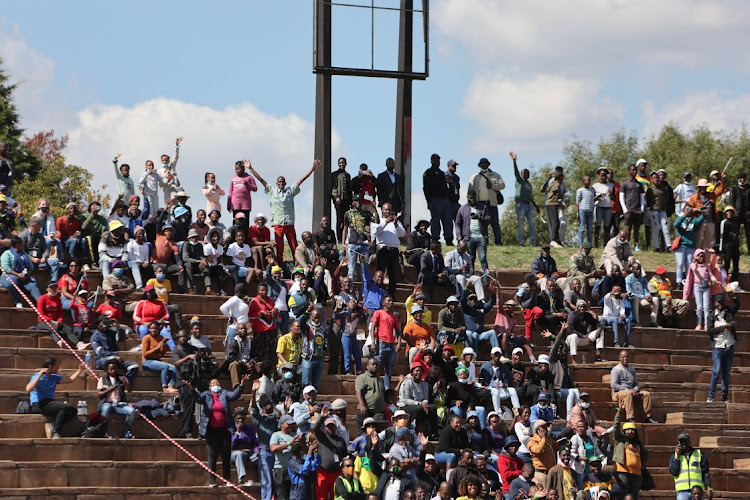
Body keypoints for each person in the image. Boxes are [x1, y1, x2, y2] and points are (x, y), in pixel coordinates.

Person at [252, 159, 320, 261]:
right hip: (278, 224)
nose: (281, 183)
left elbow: (301, 180)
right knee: (279, 248)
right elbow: (261, 180)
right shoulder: (272, 191)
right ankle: (280, 268)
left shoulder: (290, 191)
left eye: (283, 181)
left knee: (294, 246)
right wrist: (251, 168)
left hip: (289, 223)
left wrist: (312, 169)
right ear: (276, 183)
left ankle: (298, 265)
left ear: (285, 183)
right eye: (279, 182)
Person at [190, 375, 250, 487]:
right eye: (213, 384)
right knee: (212, 455)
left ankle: (226, 479)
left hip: (225, 430)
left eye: (217, 383)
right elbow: (198, 399)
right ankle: (212, 480)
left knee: (226, 455)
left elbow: (234, 395)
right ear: (209, 387)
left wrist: (241, 384)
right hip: (211, 430)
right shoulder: (206, 395)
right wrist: (191, 389)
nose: (215, 385)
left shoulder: (224, 393)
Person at [26, 357, 84, 438]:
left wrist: (80, 370)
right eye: (56, 366)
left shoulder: (54, 377)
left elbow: (70, 379)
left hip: (49, 403)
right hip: (38, 404)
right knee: (65, 407)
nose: (58, 368)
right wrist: (40, 374)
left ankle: (54, 424)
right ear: (50, 367)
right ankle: (56, 432)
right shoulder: (36, 376)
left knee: (73, 411)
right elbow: (29, 389)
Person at [612, 404, 648, 499]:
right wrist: (619, 411)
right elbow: (615, 427)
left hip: (636, 474)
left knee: (634, 497)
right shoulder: (620, 440)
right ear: (624, 432)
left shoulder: (638, 444)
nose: (630, 432)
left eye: (632, 430)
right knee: (622, 495)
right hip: (622, 472)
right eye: (627, 430)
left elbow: (644, 456)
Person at [706, 294, 738, 403]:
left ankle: (725, 397)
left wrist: (732, 296)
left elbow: (737, 305)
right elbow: (710, 331)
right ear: (715, 303)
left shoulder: (728, 312)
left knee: (726, 373)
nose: (721, 305)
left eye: (722, 302)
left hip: (729, 346)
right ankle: (711, 396)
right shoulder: (711, 316)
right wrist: (724, 327)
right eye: (719, 302)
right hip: (717, 347)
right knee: (716, 371)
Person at [90, 315, 139, 384]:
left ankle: (125, 383)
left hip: (116, 360)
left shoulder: (112, 332)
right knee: (112, 361)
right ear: (98, 324)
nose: (105, 325)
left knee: (134, 366)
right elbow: (100, 352)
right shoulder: (95, 336)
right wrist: (114, 355)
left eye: (106, 322)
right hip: (102, 360)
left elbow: (120, 339)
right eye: (103, 322)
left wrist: (118, 327)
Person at [610, 350, 656, 423]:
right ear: (620, 358)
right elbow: (614, 385)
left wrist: (635, 389)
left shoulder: (632, 370)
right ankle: (630, 417)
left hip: (631, 391)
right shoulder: (616, 370)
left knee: (647, 394)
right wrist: (627, 390)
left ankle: (648, 416)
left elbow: (636, 384)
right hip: (618, 393)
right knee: (628, 394)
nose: (625, 359)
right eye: (623, 357)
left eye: (627, 357)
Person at [469, 157, 506, 246]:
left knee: (495, 223)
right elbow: (470, 190)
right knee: (482, 223)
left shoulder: (495, 175)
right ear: (480, 165)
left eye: (486, 163)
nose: (484, 165)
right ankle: (484, 242)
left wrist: (492, 185)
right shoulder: (475, 176)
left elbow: (502, 185)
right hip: (480, 203)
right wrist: (471, 202)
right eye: (482, 164)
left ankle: (498, 242)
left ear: (488, 164)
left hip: (492, 202)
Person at [315, 405, 350, 500]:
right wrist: (322, 417)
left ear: (336, 427)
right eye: (328, 426)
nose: (330, 428)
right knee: (322, 497)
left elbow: (345, 455)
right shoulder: (322, 438)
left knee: (335, 496)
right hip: (323, 473)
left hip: (336, 473)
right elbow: (316, 429)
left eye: (332, 426)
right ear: (325, 428)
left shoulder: (341, 440)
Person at [97, 359, 135, 439]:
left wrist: (125, 382)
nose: (113, 371)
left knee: (131, 411)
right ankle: (104, 432)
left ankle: (126, 431)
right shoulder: (103, 379)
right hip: (107, 403)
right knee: (106, 408)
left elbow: (129, 390)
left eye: (115, 369)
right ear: (107, 370)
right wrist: (108, 391)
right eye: (111, 369)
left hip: (119, 404)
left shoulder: (122, 378)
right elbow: (99, 394)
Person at [373, 202, 405, 297]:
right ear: (382, 210)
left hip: (394, 250)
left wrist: (395, 224)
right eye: (386, 209)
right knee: (380, 272)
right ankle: (379, 293)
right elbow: (375, 231)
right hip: (382, 249)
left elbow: (402, 234)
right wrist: (386, 222)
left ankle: (391, 295)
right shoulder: (379, 220)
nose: (388, 211)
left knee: (393, 274)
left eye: (389, 210)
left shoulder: (397, 222)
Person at [399, 363, 439, 438]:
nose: (419, 373)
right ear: (412, 373)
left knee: (433, 407)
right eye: (417, 371)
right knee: (418, 409)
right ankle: (413, 431)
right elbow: (405, 400)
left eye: (420, 371)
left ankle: (434, 433)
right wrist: (420, 404)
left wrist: (425, 404)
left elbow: (425, 397)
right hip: (406, 405)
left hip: (421, 405)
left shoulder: (425, 384)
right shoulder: (407, 383)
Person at [455, 190, 491, 273]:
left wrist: (479, 217)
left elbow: (488, 220)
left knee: (482, 258)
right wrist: (459, 235)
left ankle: (486, 278)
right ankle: (471, 277)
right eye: (470, 198)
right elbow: (457, 223)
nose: (472, 200)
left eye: (473, 198)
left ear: (476, 198)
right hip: (469, 237)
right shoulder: (462, 209)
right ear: (467, 197)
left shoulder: (483, 207)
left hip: (481, 237)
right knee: (470, 258)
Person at [370, 295, 401, 389]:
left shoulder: (393, 317)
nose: (390, 303)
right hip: (381, 342)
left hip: (391, 344)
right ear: (383, 303)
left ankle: (387, 388)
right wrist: (373, 342)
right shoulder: (378, 313)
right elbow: (372, 328)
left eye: (392, 301)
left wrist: (398, 343)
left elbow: (399, 332)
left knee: (389, 369)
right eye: (388, 301)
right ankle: (373, 385)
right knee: (376, 365)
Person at [669, 433, 712, 500]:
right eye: (681, 442)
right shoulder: (674, 456)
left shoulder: (699, 454)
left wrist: (709, 488)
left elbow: (705, 473)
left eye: (685, 441)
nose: (684, 444)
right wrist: (677, 458)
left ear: (689, 442)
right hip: (682, 491)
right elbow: (674, 472)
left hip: (698, 491)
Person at [480, 347, 521, 415]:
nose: (497, 356)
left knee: (512, 390)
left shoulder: (503, 367)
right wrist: (483, 386)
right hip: (490, 390)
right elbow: (481, 379)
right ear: (491, 355)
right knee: (495, 391)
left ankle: (517, 411)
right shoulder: (485, 366)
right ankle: (498, 412)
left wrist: (505, 385)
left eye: (498, 354)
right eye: (495, 354)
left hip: (500, 389)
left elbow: (506, 380)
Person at [423, 153, 453, 245]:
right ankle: (435, 239)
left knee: (448, 220)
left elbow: (447, 187)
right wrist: (428, 201)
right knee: (435, 220)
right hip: (435, 200)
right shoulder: (428, 173)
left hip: (445, 200)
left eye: (438, 160)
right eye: (435, 160)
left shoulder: (442, 173)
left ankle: (449, 239)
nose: (437, 161)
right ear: (431, 161)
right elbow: (426, 188)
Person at [141, 320, 179, 393]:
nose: (153, 330)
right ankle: (164, 387)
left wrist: (163, 344)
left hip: (156, 360)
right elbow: (145, 354)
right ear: (149, 329)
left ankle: (171, 385)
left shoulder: (160, 337)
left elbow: (162, 353)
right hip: (147, 361)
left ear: (158, 329)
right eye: (151, 328)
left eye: (155, 328)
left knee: (173, 368)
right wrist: (157, 348)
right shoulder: (146, 338)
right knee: (165, 366)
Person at [510, 151, 537, 247]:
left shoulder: (529, 184)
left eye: (528, 173)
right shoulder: (519, 181)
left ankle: (533, 242)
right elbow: (515, 171)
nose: (527, 174)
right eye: (525, 173)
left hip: (529, 205)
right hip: (521, 205)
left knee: (532, 224)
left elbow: (530, 196)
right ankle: (522, 242)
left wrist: (536, 205)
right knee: (521, 224)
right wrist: (514, 160)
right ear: (522, 174)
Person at [674, 205, 704, 286]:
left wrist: (703, 214)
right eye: (687, 210)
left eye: (690, 210)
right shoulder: (681, 219)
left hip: (690, 246)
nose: (689, 211)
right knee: (680, 264)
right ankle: (679, 282)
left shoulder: (694, 220)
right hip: (681, 245)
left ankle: (687, 282)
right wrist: (684, 215)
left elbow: (699, 222)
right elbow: (675, 224)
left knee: (689, 265)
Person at [271, 414, 299, 500]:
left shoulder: (294, 435)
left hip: (292, 470)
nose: (290, 426)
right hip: (280, 470)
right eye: (288, 424)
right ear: (282, 424)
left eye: (292, 424)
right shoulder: (276, 435)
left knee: (292, 496)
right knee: (281, 496)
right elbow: (273, 448)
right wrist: (289, 443)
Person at [230, 407, 261, 486]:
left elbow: (254, 442)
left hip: (249, 454)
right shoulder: (232, 429)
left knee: (262, 456)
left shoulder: (249, 428)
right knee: (239, 454)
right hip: (236, 453)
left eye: (242, 418)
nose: (240, 420)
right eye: (238, 418)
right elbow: (232, 445)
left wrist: (256, 450)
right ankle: (241, 479)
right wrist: (237, 432)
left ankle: (262, 479)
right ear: (235, 419)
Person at [620, 165, 646, 253]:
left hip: (637, 209)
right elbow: (621, 197)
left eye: (635, 170)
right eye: (633, 170)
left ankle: (636, 246)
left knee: (637, 229)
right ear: (629, 171)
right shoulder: (625, 184)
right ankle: (627, 245)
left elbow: (642, 197)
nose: (635, 172)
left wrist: (642, 208)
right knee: (628, 228)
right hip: (628, 209)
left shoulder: (639, 184)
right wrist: (624, 209)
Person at [355, 357, 386, 428]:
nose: (375, 366)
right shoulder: (362, 377)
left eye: (377, 365)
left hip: (378, 411)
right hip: (366, 410)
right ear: (367, 366)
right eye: (373, 364)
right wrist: (362, 405)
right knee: (362, 431)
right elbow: (358, 391)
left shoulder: (380, 379)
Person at [645, 171, 672, 252]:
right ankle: (656, 247)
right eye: (654, 178)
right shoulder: (650, 190)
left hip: (663, 210)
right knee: (655, 228)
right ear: (651, 180)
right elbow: (648, 200)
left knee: (665, 227)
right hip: (654, 210)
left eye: (657, 178)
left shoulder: (663, 188)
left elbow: (666, 198)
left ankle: (668, 246)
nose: (656, 179)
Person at [527, 420, 559, 484]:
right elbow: (538, 450)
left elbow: (556, 447)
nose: (545, 429)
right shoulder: (532, 441)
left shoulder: (548, 440)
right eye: (543, 427)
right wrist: (543, 438)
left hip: (551, 473)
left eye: (546, 427)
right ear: (537, 430)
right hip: (541, 473)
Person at [332, 157, 353, 241]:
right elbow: (333, 187)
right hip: (338, 201)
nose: (342, 164)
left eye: (343, 163)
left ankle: (345, 238)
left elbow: (350, 189)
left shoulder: (348, 175)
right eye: (340, 163)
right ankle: (339, 238)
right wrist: (336, 197)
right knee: (339, 219)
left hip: (346, 201)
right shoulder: (334, 175)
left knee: (346, 220)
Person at [593, 166, 614, 248]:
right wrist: (598, 196)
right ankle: (596, 245)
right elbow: (593, 199)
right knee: (597, 226)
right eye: (602, 175)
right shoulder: (595, 186)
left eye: (605, 175)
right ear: (598, 175)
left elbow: (614, 198)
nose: (604, 177)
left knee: (607, 227)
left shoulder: (611, 185)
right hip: (599, 207)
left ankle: (606, 245)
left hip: (608, 207)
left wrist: (611, 194)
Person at [543, 170, 565, 247]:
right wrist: (562, 194)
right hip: (552, 204)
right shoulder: (557, 185)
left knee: (556, 222)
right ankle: (553, 240)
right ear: (561, 178)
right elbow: (556, 196)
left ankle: (557, 239)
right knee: (555, 222)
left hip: (549, 204)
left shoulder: (552, 183)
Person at [577, 175, 596, 248]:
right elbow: (577, 202)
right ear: (583, 181)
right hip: (583, 211)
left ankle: (589, 244)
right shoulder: (580, 190)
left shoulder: (592, 190)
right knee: (582, 228)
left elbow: (592, 198)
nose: (589, 182)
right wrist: (577, 212)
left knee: (590, 229)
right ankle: (581, 245)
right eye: (587, 180)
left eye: (589, 180)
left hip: (590, 211)